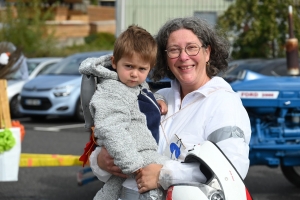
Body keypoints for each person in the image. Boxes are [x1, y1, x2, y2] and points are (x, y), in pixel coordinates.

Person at [90, 17, 251, 199]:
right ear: (165, 59)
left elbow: (232, 166)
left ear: (207, 53)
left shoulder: (224, 102)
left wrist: (164, 175)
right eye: (174, 50)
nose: (183, 57)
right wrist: (100, 162)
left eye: (192, 47)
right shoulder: (155, 98)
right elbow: (117, 134)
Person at [78, 25, 170, 200]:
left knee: (112, 189)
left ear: (150, 68)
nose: (135, 74)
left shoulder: (132, 86)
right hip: (137, 155)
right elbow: (111, 128)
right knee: (169, 173)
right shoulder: (113, 91)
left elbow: (142, 95)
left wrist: (158, 99)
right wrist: (132, 164)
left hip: (138, 151)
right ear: (114, 62)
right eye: (129, 66)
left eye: (142, 69)